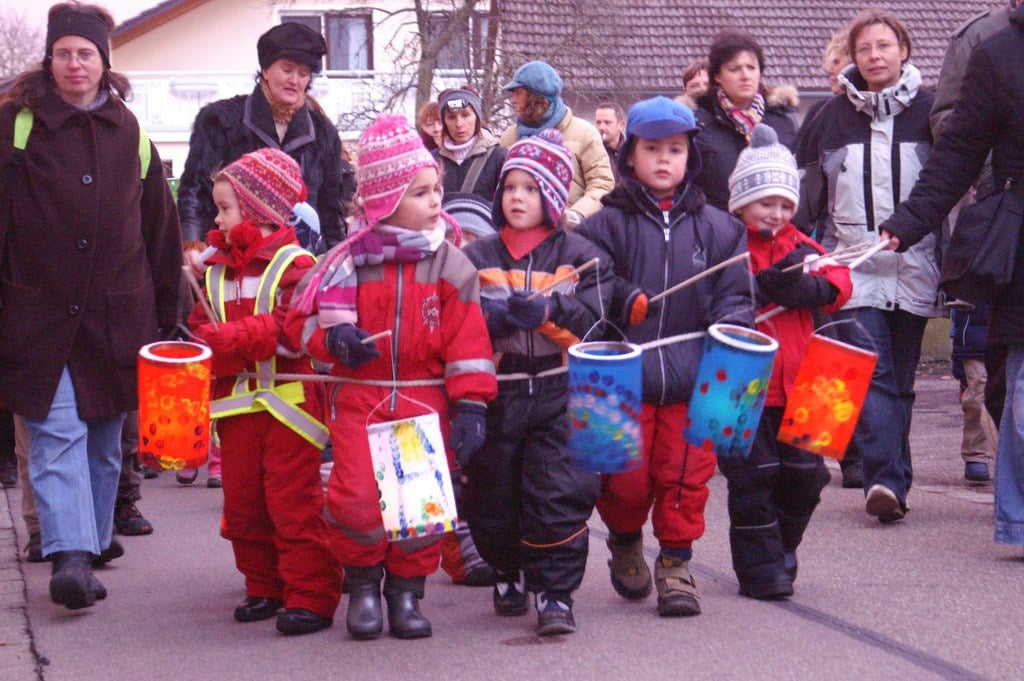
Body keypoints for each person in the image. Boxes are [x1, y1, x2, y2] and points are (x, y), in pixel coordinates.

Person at [285, 114, 498, 640]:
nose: (435, 201)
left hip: (423, 400)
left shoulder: (451, 265)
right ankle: (362, 584)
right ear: (385, 200)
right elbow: (300, 323)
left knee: (419, 508)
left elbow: (469, 343)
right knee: (357, 499)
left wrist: (472, 403)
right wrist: (334, 340)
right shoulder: (345, 263)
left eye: (436, 190)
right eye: (420, 192)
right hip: (363, 395)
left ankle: (406, 591)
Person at [0, 2, 181, 609]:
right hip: (38, 312)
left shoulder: (129, 130)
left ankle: (95, 541)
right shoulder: (15, 125)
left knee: (105, 439)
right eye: (63, 53)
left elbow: (160, 229)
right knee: (56, 433)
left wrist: (170, 315)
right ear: (48, 60)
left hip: (116, 314)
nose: (74, 64)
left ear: (104, 62)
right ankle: (70, 555)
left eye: (85, 54)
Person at [578, 96, 754, 617]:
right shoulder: (603, 225)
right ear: (630, 156)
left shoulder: (721, 229)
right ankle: (625, 537)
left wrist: (732, 326)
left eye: (675, 150)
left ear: (689, 157)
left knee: (684, 477)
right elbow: (589, 280)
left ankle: (676, 562)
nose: (663, 159)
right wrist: (620, 296)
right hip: (622, 382)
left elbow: (736, 295)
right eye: (652, 149)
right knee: (625, 481)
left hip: (693, 380)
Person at [878, 3, 1024, 546]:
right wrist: (907, 223)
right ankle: (1018, 518)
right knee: (1018, 389)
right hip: (1019, 238)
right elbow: (957, 152)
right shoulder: (998, 53)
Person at [462, 129, 613, 636]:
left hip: (559, 389)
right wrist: (494, 321)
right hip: (498, 392)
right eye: (509, 187)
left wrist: (551, 311)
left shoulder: (581, 254)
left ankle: (555, 592)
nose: (517, 197)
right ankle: (507, 568)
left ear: (551, 195)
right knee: (493, 495)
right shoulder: (477, 256)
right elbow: (458, 323)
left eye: (530, 188)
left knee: (558, 492)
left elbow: (597, 321)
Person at [188, 147, 340, 635]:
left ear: (258, 210)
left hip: (290, 408)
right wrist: (209, 346)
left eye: (225, 208)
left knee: (293, 504)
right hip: (236, 412)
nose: (217, 218)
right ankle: (263, 585)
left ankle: (310, 595)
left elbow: (290, 330)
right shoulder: (214, 271)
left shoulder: (296, 265)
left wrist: (229, 341)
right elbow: (201, 330)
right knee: (243, 505)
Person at [798, 9, 941, 524]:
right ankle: (883, 479)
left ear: (904, 50)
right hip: (851, 265)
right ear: (852, 57)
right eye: (864, 49)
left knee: (900, 379)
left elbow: (950, 182)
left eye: (884, 46)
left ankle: (895, 482)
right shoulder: (829, 117)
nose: (875, 56)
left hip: (915, 263)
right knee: (871, 370)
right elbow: (806, 193)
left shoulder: (931, 111)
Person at [722, 124, 852, 599]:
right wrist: (755, 291)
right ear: (741, 205)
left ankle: (782, 545)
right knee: (751, 479)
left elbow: (840, 282)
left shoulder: (803, 247)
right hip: (740, 383)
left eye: (783, 204)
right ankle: (760, 571)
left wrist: (808, 288)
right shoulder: (728, 248)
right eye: (764, 203)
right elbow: (712, 292)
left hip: (806, 381)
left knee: (808, 477)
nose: (775, 213)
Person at [930, 1, 1022, 484]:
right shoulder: (983, 39)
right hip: (1000, 229)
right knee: (991, 367)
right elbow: (954, 130)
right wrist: (996, 184)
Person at [177, 22, 346, 252]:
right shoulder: (220, 120)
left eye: (303, 73)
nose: (295, 80)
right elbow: (195, 189)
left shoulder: (324, 133)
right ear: (265, 70)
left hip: (299, 259)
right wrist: (192, 244)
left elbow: (331, 210)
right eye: (287, 70)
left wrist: (333, 259)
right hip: (231, 255)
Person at [693, 30, 799, 213]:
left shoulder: (783, 121)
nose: (745, 76)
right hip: (715, 225)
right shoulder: (699, 123)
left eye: (751, 68)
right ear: (717, 76)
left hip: (772, 226)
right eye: (734, 69)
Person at [499, 61, 615, 227]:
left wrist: (575, 215)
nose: (513, 100)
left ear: (535, 97)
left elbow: (602, 184)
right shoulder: (508, 137)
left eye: (518, 93)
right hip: (520, 233)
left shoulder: (585, 133)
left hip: (570, 235)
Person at [434, 86, 507, 201]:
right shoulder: (433, 161)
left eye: (465, 115)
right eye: (451, 117)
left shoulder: (499, 158)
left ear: (477, 117)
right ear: (444, 122)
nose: (459, 124)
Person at [951, 305, 998, 482]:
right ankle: (976, 453)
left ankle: (1011, 457)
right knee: (979, 391)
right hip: (973, 325)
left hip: (1012, 324)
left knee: (1012, 393)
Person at [594, 101, 626, 182]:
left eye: (607, 122)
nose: (601, 127)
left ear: (621, 125)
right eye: (598, 123)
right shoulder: (591, 153)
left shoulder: (632, 154)